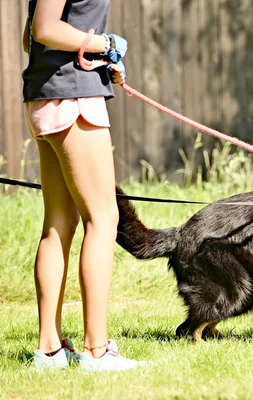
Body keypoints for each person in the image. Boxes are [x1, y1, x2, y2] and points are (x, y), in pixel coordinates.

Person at [23, 0, 141, 371]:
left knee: (59, 224)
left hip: (51, 92)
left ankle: (51, 352)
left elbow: (30, 40)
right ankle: (96, 351)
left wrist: (102, 58)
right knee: (103, 219)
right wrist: (103, 45)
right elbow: (44, 30)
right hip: (73, 96)